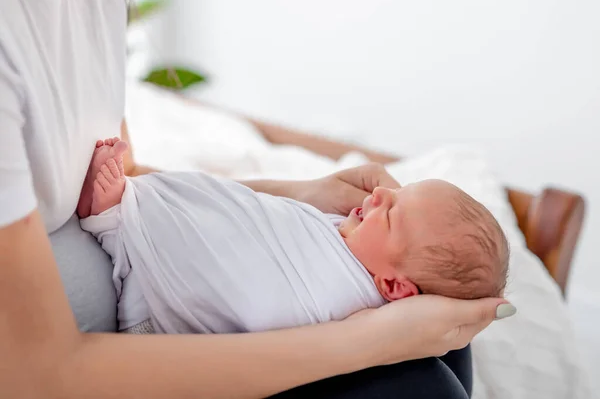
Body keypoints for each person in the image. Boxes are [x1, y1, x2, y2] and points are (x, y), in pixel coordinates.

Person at [0, 0, 516, 398]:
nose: (380, 196)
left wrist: (302, 195)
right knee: (422, 385)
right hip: (84, 369)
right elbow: (37, 376)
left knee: (448, 332)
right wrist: (372, 339)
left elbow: (134, 176)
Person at [78, 139, 509, 335]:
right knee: (224, 210)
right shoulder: (344, 237)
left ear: (393, 286)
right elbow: (253, 216)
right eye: (395, 193)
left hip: (162, 326)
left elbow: (255, 290)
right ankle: (129, 213)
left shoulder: (341, 292)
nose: (379, 191)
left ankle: (120, 217)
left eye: (392, 214)